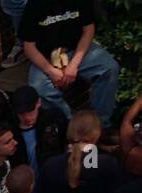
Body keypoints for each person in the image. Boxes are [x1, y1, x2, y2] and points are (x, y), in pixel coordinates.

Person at [20, 0, 120, 128]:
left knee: (109, 68)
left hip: (77, 50)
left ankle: (100, 125)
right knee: (39, 88)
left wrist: (74, 64)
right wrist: (50, 70)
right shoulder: (35, 4)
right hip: (46, 56)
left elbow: (88, 30)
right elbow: (29, 47)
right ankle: (70, 126)